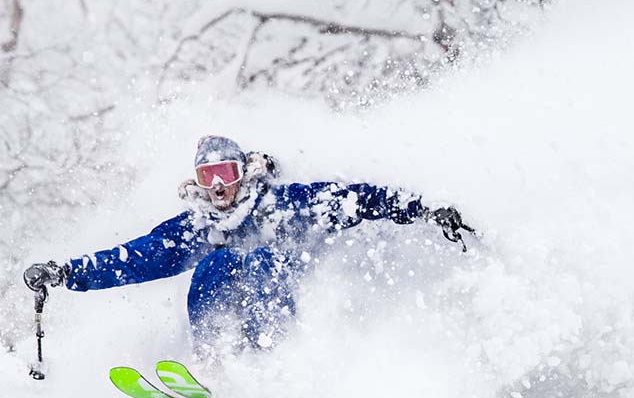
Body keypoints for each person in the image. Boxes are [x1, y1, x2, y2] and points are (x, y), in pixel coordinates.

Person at [22, 135, 473, 353]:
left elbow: (358, 200)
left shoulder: (287, 205)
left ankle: (270, 358)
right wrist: (68, 272)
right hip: (228, 323)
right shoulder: (198, 226)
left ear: (245, 172)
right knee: (212, 267)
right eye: (208, 178)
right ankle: (212, 363)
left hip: (284, 312)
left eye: (227, 175)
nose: (219, 188)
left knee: (261, 258)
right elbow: (141, 256)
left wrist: (425, 210)